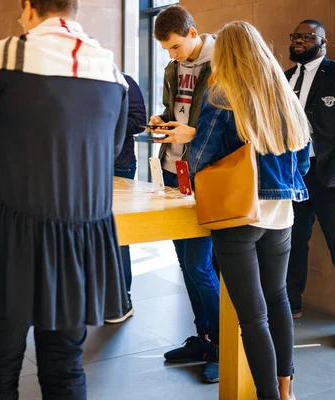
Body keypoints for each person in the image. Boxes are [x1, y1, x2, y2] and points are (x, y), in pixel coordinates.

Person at [0, 0, 128, 397]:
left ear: (28, 7)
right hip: (79, 239)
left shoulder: (6, 54)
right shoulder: (111, 70)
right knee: (65, 369)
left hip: (6, 234)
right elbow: (111, 149)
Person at [190, 21, 311, 400]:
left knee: (253, 316)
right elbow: (304, 161)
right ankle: (286, 391)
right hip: (282, 215)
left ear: (225, 55)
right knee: (278, 300)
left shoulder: (221, 95)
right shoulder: (285, 95)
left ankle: (267, 397)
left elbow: (199, 156)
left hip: (239, 215)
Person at [149, 5, 220, 383]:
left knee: (199, 265)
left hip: (206, 172)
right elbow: (174, 110)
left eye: (175, 47)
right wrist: (163, 123)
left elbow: (227, 122)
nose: (172, 55)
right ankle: (205, 338)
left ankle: (225, 345)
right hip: (174, 171)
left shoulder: (224, 61)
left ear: (193, 32)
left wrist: (190, 134)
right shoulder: (172, 69)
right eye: (167, 49)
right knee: (185, 264)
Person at [284, 19, 335, 346]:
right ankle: (290, 305)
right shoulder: (287, 77)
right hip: (294, 173)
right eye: (296, 36)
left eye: (307, 36)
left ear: (323, 41)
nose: (300, 41)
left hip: (329, 175)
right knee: (292, 241)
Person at [105, 72, 146, 324]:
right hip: (87, 166)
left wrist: (107, 123)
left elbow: (140, 121)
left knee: (120, 233)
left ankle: (122, 299)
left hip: (120, 164)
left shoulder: (124, 81)